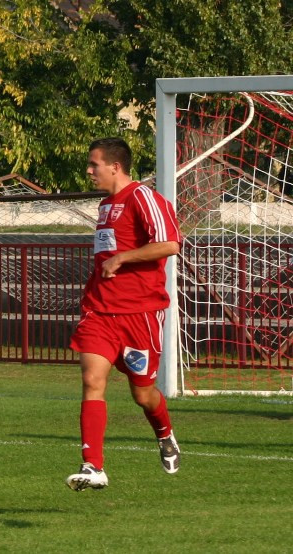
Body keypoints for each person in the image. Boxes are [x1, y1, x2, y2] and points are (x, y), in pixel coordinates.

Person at [65, 138, 182, 491]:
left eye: (93, 164)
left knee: (143, 394)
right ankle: (93, 467)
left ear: (115, 166)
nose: (88, 171)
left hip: (140, 313)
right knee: (91, 381)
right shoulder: (105, 205)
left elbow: (170, 243)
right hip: (100, 310)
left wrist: (123, 258)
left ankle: (164, 433)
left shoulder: (143, 197)